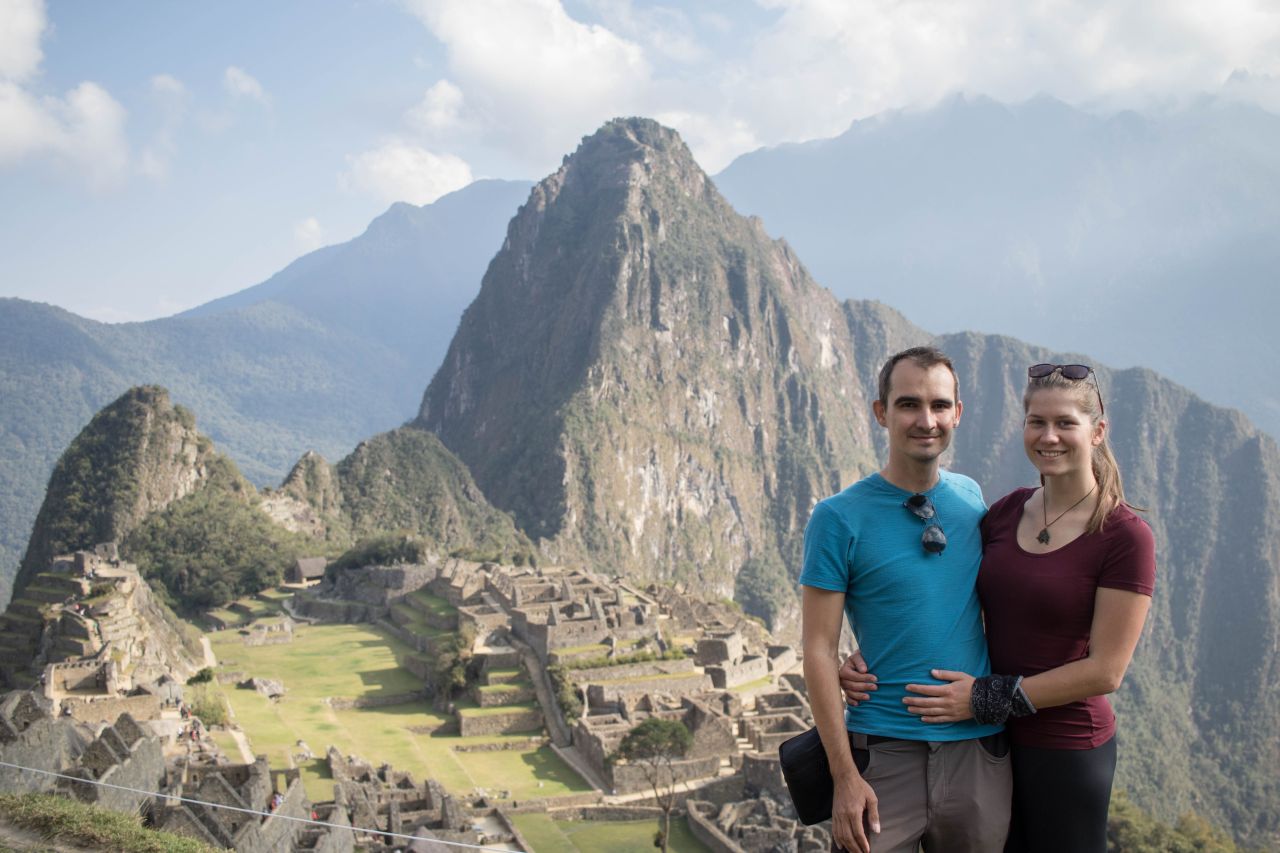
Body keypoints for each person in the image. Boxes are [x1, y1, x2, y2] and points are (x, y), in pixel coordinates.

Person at [840, 362, 1155, 852]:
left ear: (1097, 431)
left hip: (1065, 746)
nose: (1048, 436)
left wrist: (984, 697)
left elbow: (1106, 671)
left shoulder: (1123, 536)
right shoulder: (1004, 513)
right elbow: (953, 595)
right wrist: (875, 652)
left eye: (1065, 423)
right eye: (1037, 422)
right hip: (989, 744)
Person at [800, 346, 1011, 853]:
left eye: (939, 405)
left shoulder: (970, 499)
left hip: (975, 751)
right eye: (909, 404)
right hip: (882, 755)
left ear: (957, 414)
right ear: (882, 412)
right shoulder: (839, 517)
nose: (926, 420)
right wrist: (844, 776)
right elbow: (817, 648)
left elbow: (985, 604)